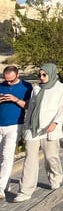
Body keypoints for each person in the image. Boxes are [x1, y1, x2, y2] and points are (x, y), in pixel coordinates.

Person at [14, 63, 63, 202]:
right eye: (39, 75)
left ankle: (55, 178)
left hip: (50, 128)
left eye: (44, 75)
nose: (41, 77)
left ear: (52, 73)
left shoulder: (60, 88)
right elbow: (31, 108)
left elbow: (62, 109)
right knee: (29, 159)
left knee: (51, 157)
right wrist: (27, 126)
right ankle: (25, 190)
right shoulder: (36, 88)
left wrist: (55, 123)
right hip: (33, 128)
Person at [0, 66, 32, 199]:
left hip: (14, 125)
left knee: (7, 156)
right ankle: (5, 183)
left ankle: (1, 188)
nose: (8, 83)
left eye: (11, 80)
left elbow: (29, 106)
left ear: (18, 75)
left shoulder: (26, 87)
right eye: (6, 80)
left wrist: (15, 99)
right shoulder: (1, 86)